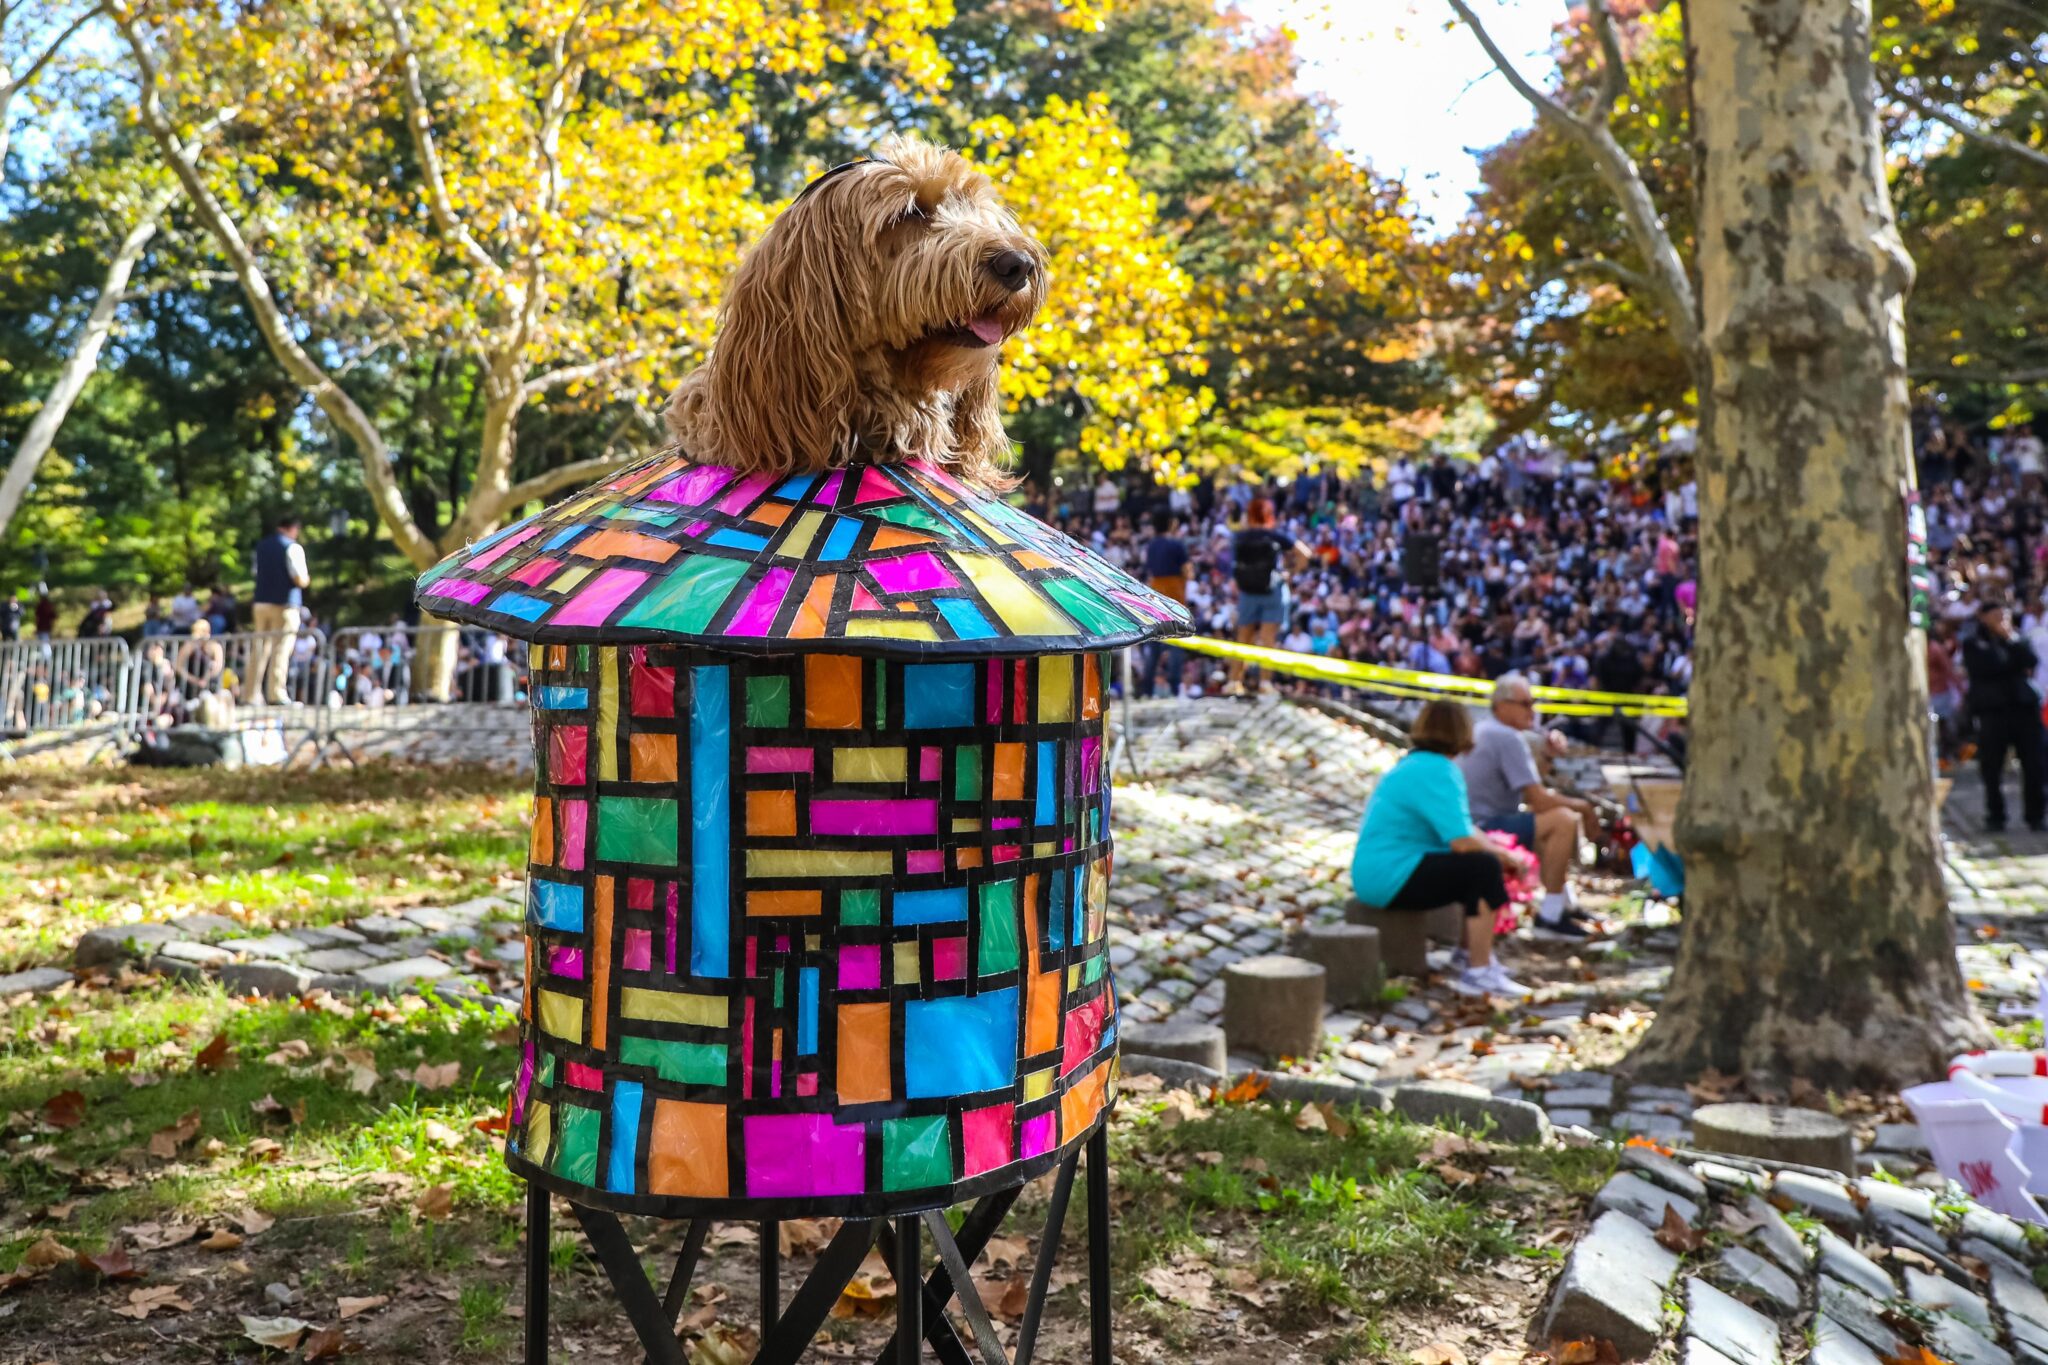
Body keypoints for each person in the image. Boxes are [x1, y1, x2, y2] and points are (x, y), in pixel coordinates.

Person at [1351, 699, 1531, 998]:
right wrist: (1504, 856)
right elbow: (1461, 840)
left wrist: (1499, 851)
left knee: (1478, 862)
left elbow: (1463, 828)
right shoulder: (1439, 770)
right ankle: (1479, 971)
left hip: (1381, 873)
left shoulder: (1417, 764)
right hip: (1391, 876)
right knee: (1482, 867)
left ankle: (1469, 953)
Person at [1460, 674, 1603, 937]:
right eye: (1525, 703)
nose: (1532, 710)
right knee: (1564, 820)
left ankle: (1562, 904)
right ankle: (1550, 916)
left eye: (1533, 702)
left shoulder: (1492, 731)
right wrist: (1584, 807)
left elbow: (1530, 791)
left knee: (1558, 818)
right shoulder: (1506, 736)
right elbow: (1537, 799)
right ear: (1502, 705)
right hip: (1483, 829)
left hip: (1479, 825)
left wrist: (1547, 754)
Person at [1963, 599, 2047, 831]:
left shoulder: (2019, 638)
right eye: (1996, 616)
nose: (2002, 621)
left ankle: (2036, 815)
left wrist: (2010, 640)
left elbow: (2030, 661)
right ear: (1984, 617)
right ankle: (1996, 816)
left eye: (2005, 616)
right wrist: (2009, 660)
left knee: (2035, 764)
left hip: (2023, 709)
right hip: (1993, 712)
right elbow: (1986, 666)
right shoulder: (1973, 643)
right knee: (1991, 767)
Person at [1227, 498, 1308, 694]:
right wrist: (1291, 573)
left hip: (1247, 592)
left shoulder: (1239, 537)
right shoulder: (1275, 535)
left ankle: (1234, 682)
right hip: (1272, 590)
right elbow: (1305, 554)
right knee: (1267, 639)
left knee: (1243, 637)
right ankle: (1265, 683)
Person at [244, 515, 310, 705]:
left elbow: (256, 572)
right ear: (292, 528)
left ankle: (250, 694)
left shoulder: (261, 547)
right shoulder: (292, 547)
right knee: (281, 647)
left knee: (259, 648)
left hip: (260, 603)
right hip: (284, 604)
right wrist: (306, 580)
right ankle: (276, 693)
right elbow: (299, 578)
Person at [1140, 510, 1188, 698]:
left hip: (1156, 594)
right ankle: (1175, 689)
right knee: (1176, 644)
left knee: (1154, 647)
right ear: (1170, 522)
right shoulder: (1177, 545)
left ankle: (1147, 690)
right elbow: (1187, 571)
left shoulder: (1151, 546)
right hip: (1175, 594)